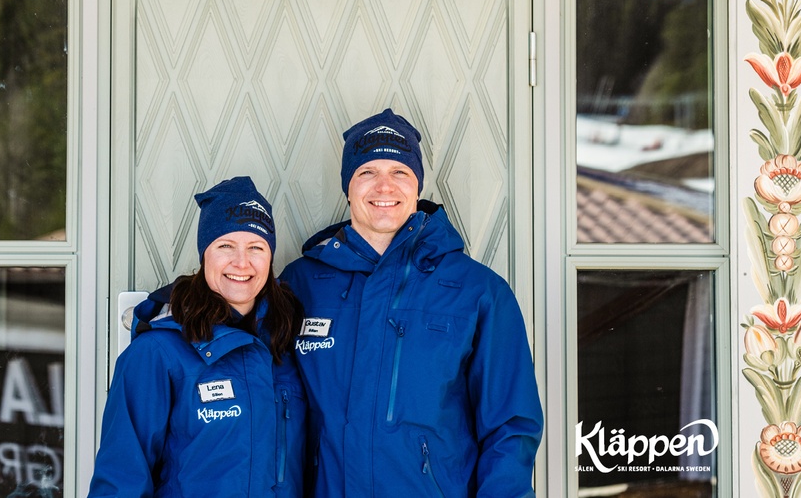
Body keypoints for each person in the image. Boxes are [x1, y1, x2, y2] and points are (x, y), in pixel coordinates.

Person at [280, 108, 543, 497]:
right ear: (348, 186)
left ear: (417, 185)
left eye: (399, 172)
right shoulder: (301, 284)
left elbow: (511, 427)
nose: (384, 187)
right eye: (367, 172)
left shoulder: (478, 291)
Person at [88, 176, 306, 497]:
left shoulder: (284, 346)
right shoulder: (157, 353)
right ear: (205, 255)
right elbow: (121, 480)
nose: (241, 262)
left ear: (270, 257)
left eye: (256, 247)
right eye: (225, 246)